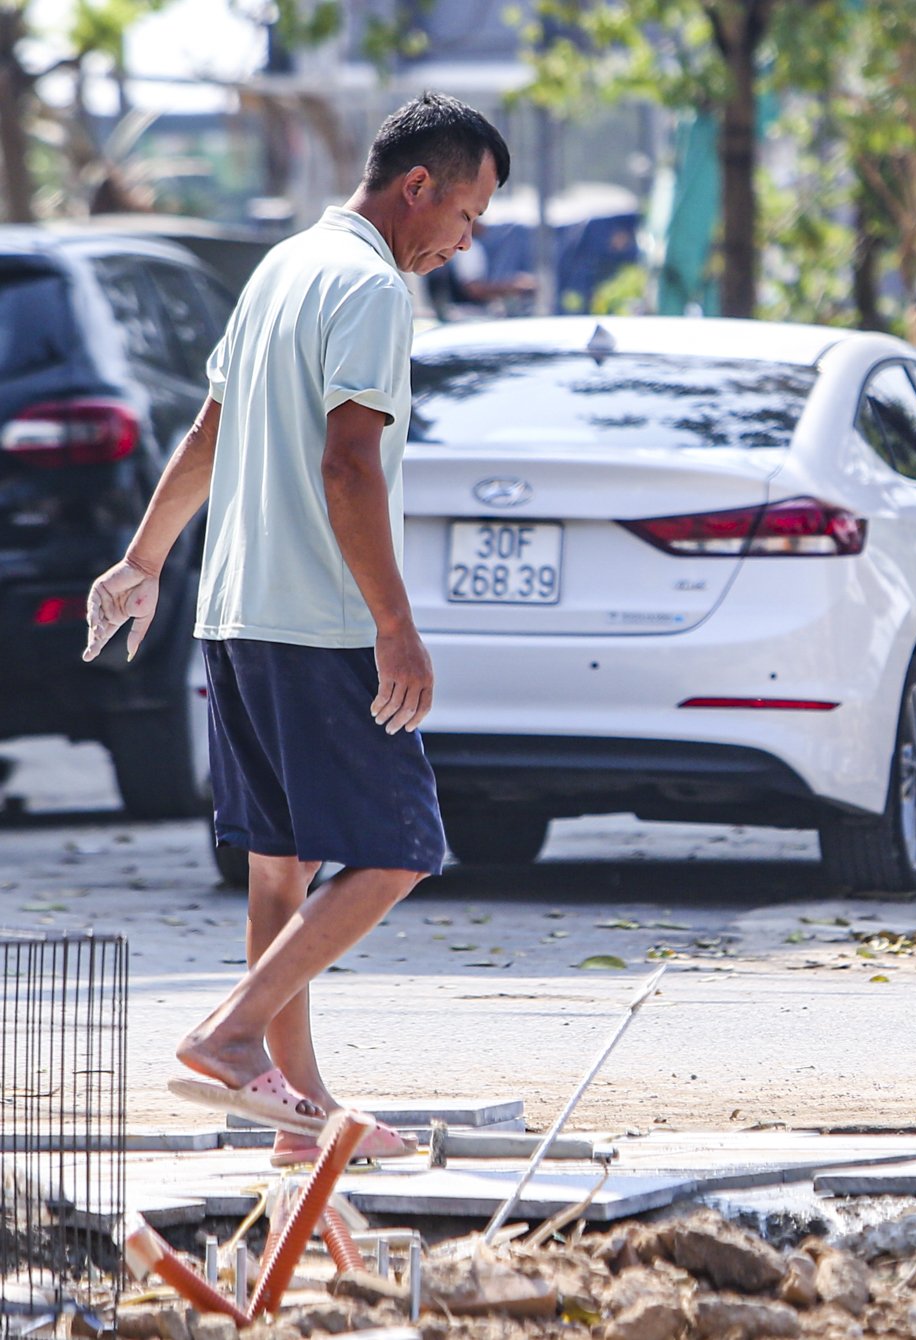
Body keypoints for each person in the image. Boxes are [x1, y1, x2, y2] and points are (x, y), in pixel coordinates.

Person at [83, 92, 510, 1163]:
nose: (468, 239)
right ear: (418, 186)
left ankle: (298, 1115)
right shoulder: (367, 285)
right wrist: (397, 626)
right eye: (470, 212)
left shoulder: (281, 267)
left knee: (282, 868)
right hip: (319, 624)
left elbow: (210, 429)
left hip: (234, 612)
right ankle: (231, 1034)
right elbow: (347, 463)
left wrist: (143, 559)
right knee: (400, 846)